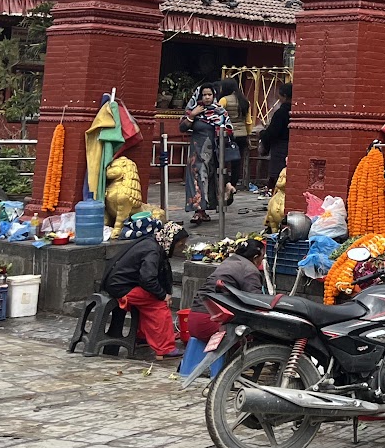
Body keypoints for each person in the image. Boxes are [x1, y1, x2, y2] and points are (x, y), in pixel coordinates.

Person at [102, 216, 187, 360]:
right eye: (180, 245)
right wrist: (163, 295)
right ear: (170, 242)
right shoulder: (152, 251)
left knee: (149, 301)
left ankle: (142, 337)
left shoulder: (151, 242)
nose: (182, 248)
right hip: (121, 287)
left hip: (118, 283)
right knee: (158, 304)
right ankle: (165, 348)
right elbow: (147, 279)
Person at [183, 236, 264, 344]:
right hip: (212, 321)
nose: (262, 261)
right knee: (258, 334)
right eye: (262, 257)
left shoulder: (230, 261)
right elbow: (256, 302)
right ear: (255, 257)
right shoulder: (249, 270)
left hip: (194, 319)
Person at [181, 84, 233, 225]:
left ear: (214, 95)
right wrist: (192, 115)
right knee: (197, 179)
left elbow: (229, 129)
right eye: (204, 95)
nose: (207, 97)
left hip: (215, 153)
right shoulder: (194, 110)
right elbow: (182, 127)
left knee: (211, 180)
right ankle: (198, 211)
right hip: (196, 153)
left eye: (209, 94)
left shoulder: (220, 112)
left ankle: (206, 209)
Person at [257, 82, 291, 196]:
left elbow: (272, 132)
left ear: (284, 96)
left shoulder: (281, 113)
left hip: (280, 148)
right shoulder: (297, 111)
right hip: (292, 147)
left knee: (279, 176)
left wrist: (262, 134)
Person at [219, 79, 251, 191]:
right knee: (237, 161)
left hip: (228, 135)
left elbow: (218, 117)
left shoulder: (223, 100)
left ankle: (225, 183)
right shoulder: (244, 101)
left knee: (223, 159)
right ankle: (234, 184)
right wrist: (248, 134)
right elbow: (248, 121)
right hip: (242, 134)